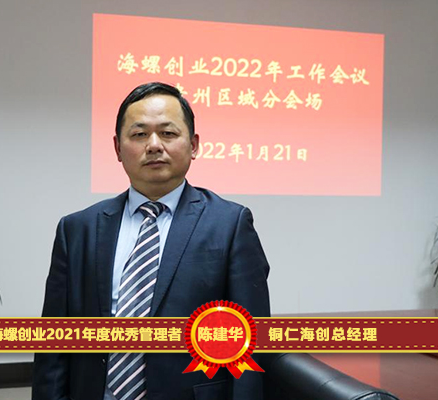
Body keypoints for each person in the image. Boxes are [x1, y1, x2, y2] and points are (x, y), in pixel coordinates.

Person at [32, 82, 271, 400]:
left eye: (168, 133)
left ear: (194, 145)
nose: (154, 145)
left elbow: (251, 343)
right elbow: (53, 342)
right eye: (139, 134)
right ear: (117, 148)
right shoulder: (77, 229)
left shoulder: (230, 224)